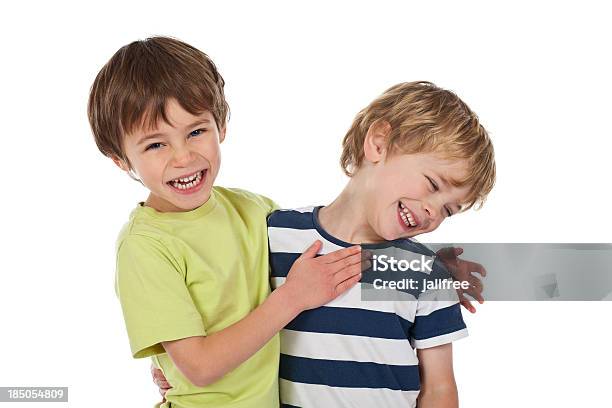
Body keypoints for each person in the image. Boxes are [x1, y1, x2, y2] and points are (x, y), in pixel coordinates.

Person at [154, 81, 495, 407]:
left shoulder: (425, 273)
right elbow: (217, 308)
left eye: (448, 210)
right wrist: (168, 366)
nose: (432, 212)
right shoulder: (274, 235)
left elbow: (439, 387)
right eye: (432, 185)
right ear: (378, 143)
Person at [87, 36, 363, 408]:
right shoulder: (145, 245)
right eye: (156, 145)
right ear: (121, 159)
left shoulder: (253, 209)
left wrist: (439, 274)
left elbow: (341, 254)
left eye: (196, 132)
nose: (183, 157)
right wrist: (292, 298)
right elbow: (199, 367)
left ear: (222, 126)